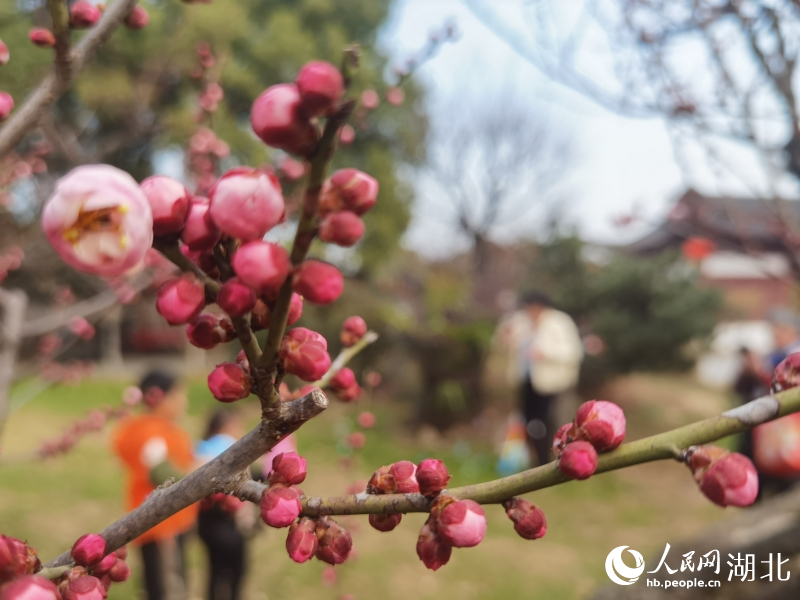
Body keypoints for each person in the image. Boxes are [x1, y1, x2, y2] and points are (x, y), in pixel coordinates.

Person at [112, 370, 198, 600]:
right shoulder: (151, 433)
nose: (184, 402)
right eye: (179, 395)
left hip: (172, 523)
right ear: (162, 398)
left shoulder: (161, 429)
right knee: (166, 587)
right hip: (162, 528)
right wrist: (198, 473)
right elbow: (161, 472)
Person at [499, 291, 584, 466]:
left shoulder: (559, 322)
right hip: (526, 381)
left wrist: (544, 354)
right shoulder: (522, 321)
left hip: (551, 384)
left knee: (548, 421)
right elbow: (507, 336)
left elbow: (573, 352)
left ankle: (551, 458)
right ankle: (533, 458)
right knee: (529, 420)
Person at [196, 410, 252, 600]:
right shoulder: (229, 445)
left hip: (206, 521)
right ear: (226, 427)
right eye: (237, 426)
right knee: (236, 572)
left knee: (214, 572)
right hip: (227, 521)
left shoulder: (200, 447)